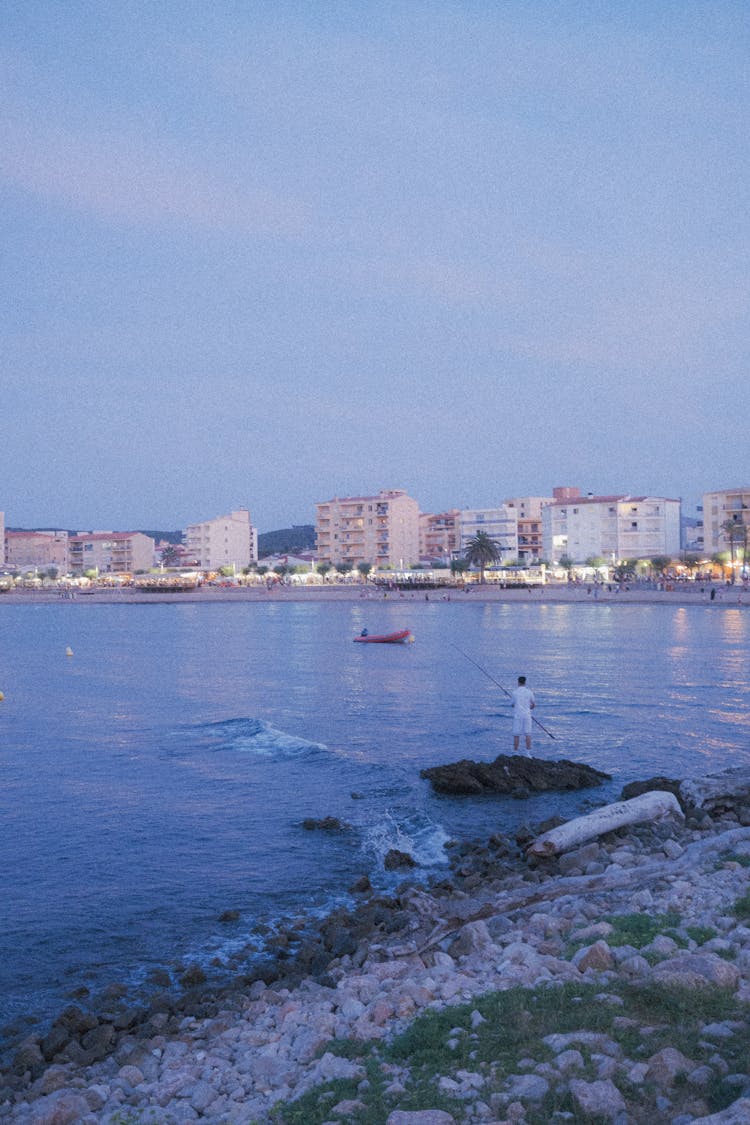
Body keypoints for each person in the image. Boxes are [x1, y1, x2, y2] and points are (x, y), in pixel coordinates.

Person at [511, 675, 535, 756]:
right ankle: (528, 753)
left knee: (516, 734)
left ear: (518, 682)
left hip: (518, 716)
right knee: (528, 734)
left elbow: (512, 705)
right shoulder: (530, 692)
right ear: (525, 682)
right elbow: (533, 705)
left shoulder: (514, 692)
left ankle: (515, 752)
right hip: (527, 716)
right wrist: (529, 708)